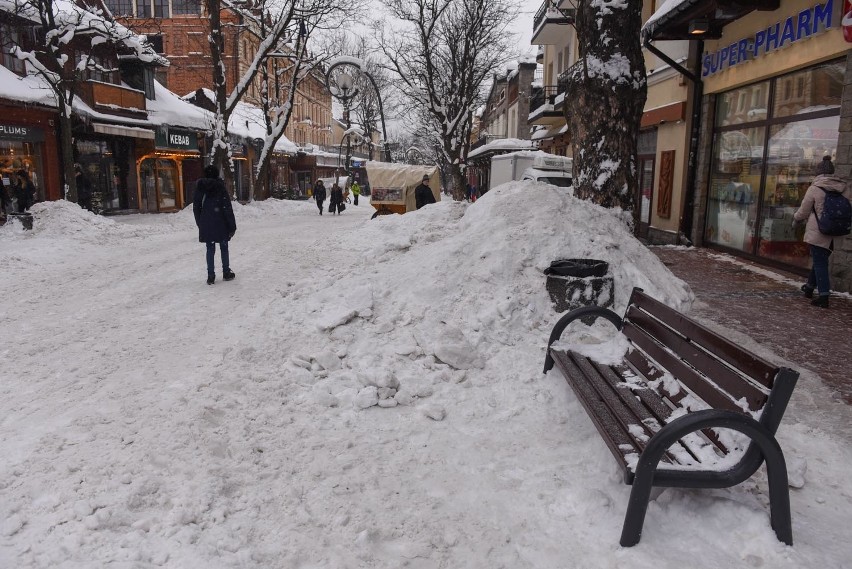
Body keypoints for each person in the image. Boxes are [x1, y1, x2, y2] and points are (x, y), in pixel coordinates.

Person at [793, 157, 849, 308]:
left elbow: (804, 211)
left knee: (820, 263)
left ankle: (824, 296)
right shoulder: (843, 187)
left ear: (819, 172)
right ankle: (810, 288)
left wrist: (796, 218)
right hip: (836, 233)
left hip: (819, 231)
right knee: (820, 260)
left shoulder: (815, 188)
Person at [193, 165, 237, 285]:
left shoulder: (200, 187)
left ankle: (210, 275)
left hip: (206, 222)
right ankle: (226, 272)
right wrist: (232, 226)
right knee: (224, 247)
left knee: (210, 248)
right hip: (221, 222)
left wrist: (200, 223)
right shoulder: (220, 187)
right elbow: (227, 207)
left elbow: (196, 207)